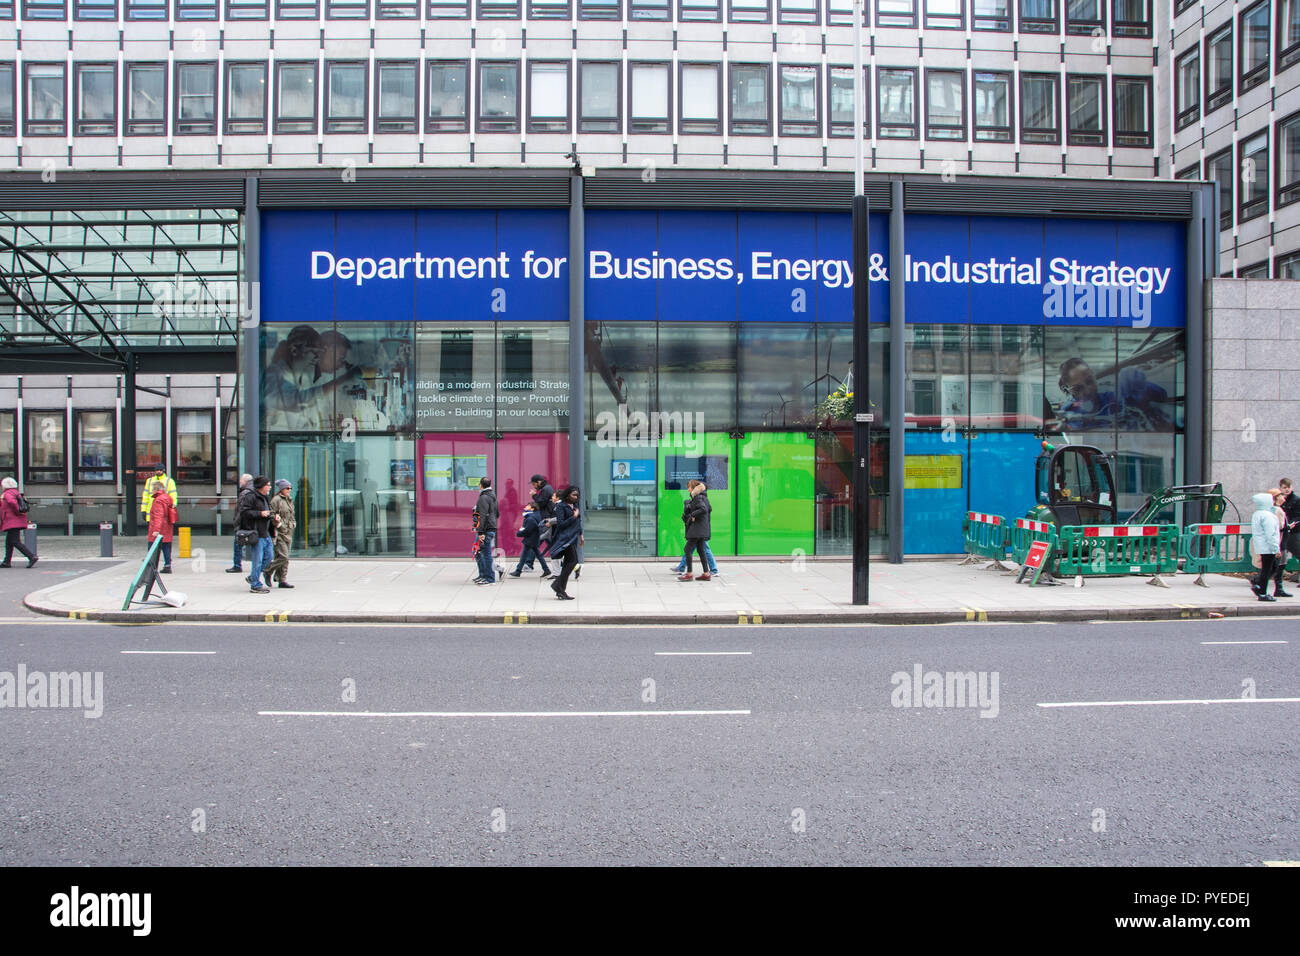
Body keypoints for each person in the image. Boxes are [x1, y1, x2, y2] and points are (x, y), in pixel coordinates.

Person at [1055, 358, 1169, 432]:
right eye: (1078, 388)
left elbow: (1162, 396)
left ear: (1094, 377)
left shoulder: (1112, 399)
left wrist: (1142, 386)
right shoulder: (1067, 414)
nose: (1088, 390)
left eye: (1089, 381)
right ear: (1069, 390)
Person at [238, 476, 275, 594]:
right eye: (268, 485)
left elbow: (267, 513)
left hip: (265, 532)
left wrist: (272, 516)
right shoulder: (251, 496)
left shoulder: (265, 497)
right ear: (262, 486)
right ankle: (255, 584)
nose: (270, 487)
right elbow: (244, 512)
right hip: (256, 532)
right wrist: (260, 513)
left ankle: (253, 577)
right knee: (257, 560)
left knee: (269, 556)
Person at [549, 485, 583, 600]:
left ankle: (560, 589)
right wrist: (573, 516)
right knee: (573, 561)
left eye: (577, 495)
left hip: (573, 537)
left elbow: (579, 521)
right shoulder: (561, 506)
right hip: (564, 538)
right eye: (573, 495)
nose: (576, 497)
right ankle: (557, 585)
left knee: (570, 563)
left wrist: (581, 535)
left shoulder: (576, 505)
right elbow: (561, 524)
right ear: (568, 494)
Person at [264, 479, 297, 589]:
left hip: (289, 531)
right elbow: (272, 515)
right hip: (279, 533)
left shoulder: (289, 500)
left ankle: (282, 579)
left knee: (285, 559)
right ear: (281, 489)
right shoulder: (276, 500)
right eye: (287, 488)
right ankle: (267, 571)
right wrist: (279, 525)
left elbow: (291, 514)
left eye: (290, 488)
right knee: (283, 556)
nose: (289, 490)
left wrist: (293, 523)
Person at [1251, 492, 1284, 602]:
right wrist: (1276, 548)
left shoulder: (1257, 514)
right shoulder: (1268, 516)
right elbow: (1271, 534)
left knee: (1271, 567)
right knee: (1268, 569)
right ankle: (1262, 592)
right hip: (1268, 546)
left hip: (1261, 545)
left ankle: (1259, 586)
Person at [678, 479, 713, 582]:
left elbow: (704, 509)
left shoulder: (698, 497)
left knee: (687, 549)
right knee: (701, 550)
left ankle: (689, 574)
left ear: (693, 488)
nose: (687, 488)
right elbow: (708, 509)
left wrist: (693, 515)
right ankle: (706, 574)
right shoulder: (703, 497)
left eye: (689, 486)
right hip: (702, 528)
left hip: (697, 529)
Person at [509, 502, 552, 579]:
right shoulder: (533, 516)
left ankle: (518, 571)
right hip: (533, 538)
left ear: (532, 508)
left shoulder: (530, 518)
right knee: (537, 554)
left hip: (531, 539)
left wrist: (519, 533)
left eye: (528, 506)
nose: (525, 507)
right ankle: (546, 569)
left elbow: (528, 530)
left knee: (524, 555)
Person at [0, 477, 36, 569]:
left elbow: (12, 503)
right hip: (15, 520)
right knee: (9, 542)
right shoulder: (15, 492)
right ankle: (6, 561)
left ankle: (31, 556)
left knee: (15, 541)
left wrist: (17, 512)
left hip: (12, 521)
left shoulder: (7, 494)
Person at [146, 478, 178, 573]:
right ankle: (167, 565)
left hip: (159, 527)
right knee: (166, 546)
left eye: (152, 489)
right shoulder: (168, 498)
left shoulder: (158, 500)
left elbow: (158, 516)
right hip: (167, 526)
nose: (152, 491)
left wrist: (156, 530)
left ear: (156, 489)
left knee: (152, 546)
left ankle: (151, 566)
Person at [472, 477, 499, 585]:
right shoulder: (492, 496)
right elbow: (497, 513)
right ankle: (483, 575)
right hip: (490, 527)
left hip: (485, 530)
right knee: (478, 552)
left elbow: (481, 516)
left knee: (485, 554)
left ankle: (489, 578)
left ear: (481, 485)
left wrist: (481, 532)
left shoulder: (483, 497)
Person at [226, 473, 253, 574]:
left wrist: (236, 524)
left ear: (245, 481)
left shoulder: (245, 493)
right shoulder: (253, 491)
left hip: (243, 524)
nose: (240, 482)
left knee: (238, 544)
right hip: (249, 523)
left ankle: (237, 565)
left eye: (241, 481)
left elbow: (240, 511)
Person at [1279, 478, 1300, 583]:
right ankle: (1277, 577)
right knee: (1280, 555)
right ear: (1281, 488)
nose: (1287, 490)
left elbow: (1297, 516)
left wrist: (1292, 523)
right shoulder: (1280, 500)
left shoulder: (1296, 500)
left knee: (1298, 552)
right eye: (1284, 487)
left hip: (1293, 532)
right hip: (1282, 531)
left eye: (1288, 487)